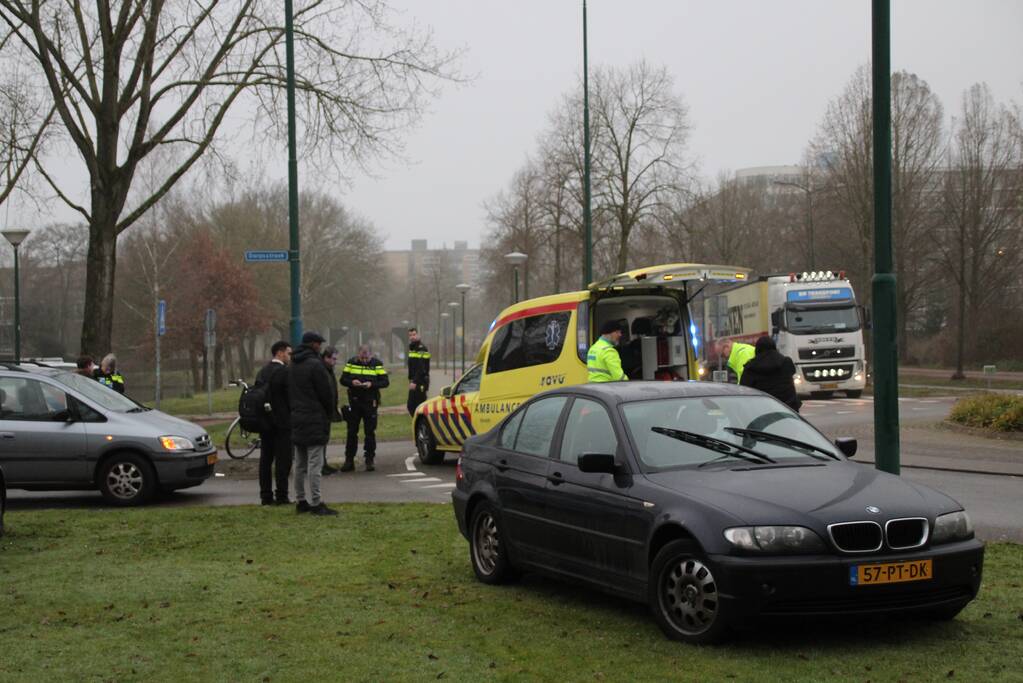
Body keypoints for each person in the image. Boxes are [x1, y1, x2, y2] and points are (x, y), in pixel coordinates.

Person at [287, 331, 339, 516]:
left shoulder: (293, 364)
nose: (320, 346)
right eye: (318, 343)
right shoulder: (315, 365)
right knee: (315, 465)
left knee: (300, 464)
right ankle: (317, 503)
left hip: (297, 418)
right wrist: (328, 412)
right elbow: (326, 393)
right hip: (315, 419)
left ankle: (301, 501)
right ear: (312, 344)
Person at [340, 344, 390, 472]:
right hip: (355, 402)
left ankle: (369, 459)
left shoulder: (377, 364)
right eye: (362, 357)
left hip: (370, 402)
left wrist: (371, 384)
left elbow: (385, 382)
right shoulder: (351, 362)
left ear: (371, 355)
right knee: (352, 432)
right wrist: (352, 382)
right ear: (358, 354)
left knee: (369, 432)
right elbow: (342, 379)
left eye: (366, 357)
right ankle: (349, 460)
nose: (364, 360)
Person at [255, 341, 293, 505]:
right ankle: (282, 495)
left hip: (265, 422)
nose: (290, 357)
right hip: (282, 422)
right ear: (280, 352)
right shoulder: (284, 372)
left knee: (265, 459)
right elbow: (290, 396)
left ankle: (265, 496)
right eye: (288, 353)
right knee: (283, 460)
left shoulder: (262, 372)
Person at [740, 335, 802, 412]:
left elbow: (744, 388)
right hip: (788, 407)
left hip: (763, 409)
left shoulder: (750, 367)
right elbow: (792, 373)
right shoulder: (786, 362)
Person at [319, 345, 342, 477]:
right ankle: (321, 464)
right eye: (333, 359)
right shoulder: (322, 370)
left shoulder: (329, 369)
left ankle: (324, 463)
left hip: (328, 409)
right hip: (322, 411)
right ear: (326, 357)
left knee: (325, 438)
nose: (335, 362)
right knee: (321, 438)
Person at [406, 327, 430, 416]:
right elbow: (412, 366)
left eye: (414, 334)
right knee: (413, 405)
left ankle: (423, 425)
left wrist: (415, 381)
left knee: (417, 406)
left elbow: (421, 368)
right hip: (414, 381)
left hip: (420, 382)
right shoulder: (412, 348)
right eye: (410, 335)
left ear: (419, 335)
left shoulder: (421, 348)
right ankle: (419, 424)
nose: (412, 337)